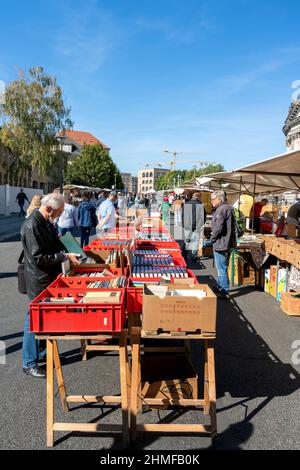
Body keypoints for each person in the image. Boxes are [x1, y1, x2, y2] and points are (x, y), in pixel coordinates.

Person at [21, 193, 80, 378]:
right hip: (38, 279)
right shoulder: (32, 226)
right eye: (59, 212)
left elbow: (53, 245)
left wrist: (68, 248)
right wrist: (63, 256)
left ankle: (44, 356)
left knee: (45, 317)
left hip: (46, 276)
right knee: (33, 318)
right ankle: (29, 362)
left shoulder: (45, 221)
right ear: (48, 208)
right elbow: (38, 258)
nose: (60, 216)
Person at [210, 190, 236, 298]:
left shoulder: (221, 210)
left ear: (219, 199)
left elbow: (218, 228)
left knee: (221, 268)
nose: (211, 202)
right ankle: (219, 286)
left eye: (213, 199)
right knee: (222, 267)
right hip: (228, 242)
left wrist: (212, 238)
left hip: (221, 243)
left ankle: (224, 291)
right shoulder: (229, 208)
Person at [182, 192, 205, 260]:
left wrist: (183, 224)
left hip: (187, 225)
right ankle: (193, 255)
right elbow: (203, 217)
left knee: (187, 240)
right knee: (195, 241)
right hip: (196, 226)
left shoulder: (186, 204)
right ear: (198, 198)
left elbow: (183, 215)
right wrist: (201, 225)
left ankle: (184, 254)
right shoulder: (200, 205)